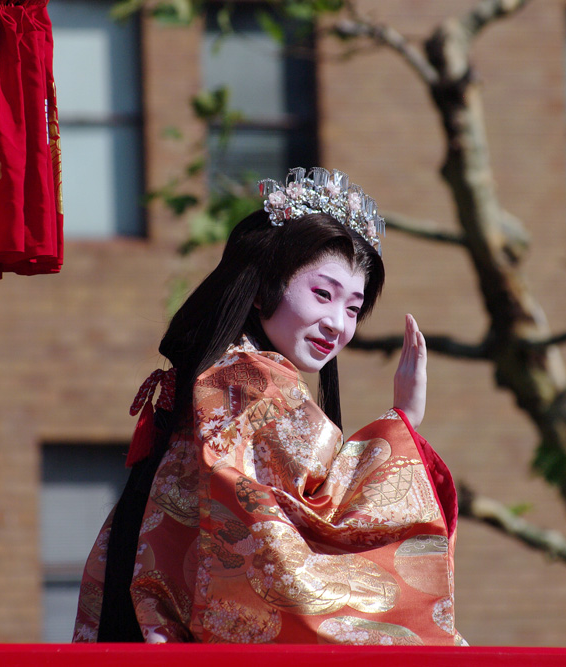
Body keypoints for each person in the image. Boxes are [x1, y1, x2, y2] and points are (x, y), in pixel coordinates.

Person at [73, 167, 463, 645]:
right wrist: (402, 424)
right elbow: (321, 516)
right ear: (262, 290)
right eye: (323, 293)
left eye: (353, 308)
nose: (337, 323)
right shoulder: (250, 380)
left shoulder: (224, 374)